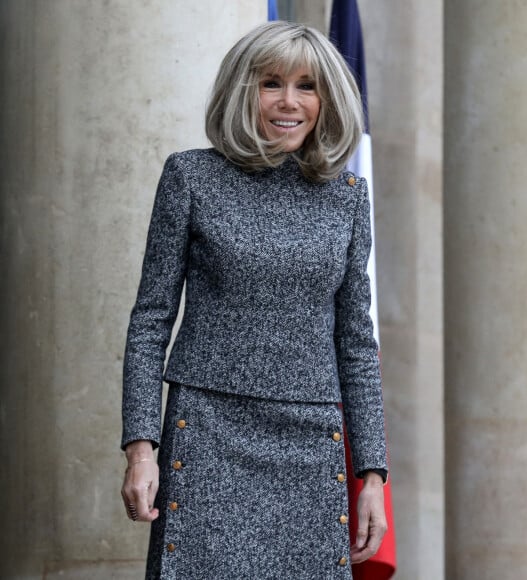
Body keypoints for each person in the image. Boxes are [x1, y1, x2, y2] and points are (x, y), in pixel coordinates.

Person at [120, 20, 388, 580]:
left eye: (307, 86)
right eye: (271, 83)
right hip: (208, 432)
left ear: (327, 100)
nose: (288, 102)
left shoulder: (347, 198)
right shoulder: (191, 177)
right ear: (245, 91)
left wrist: (372, 476)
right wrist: (141, 448)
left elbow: (356, 344)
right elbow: (150, 321)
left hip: (311, 446)